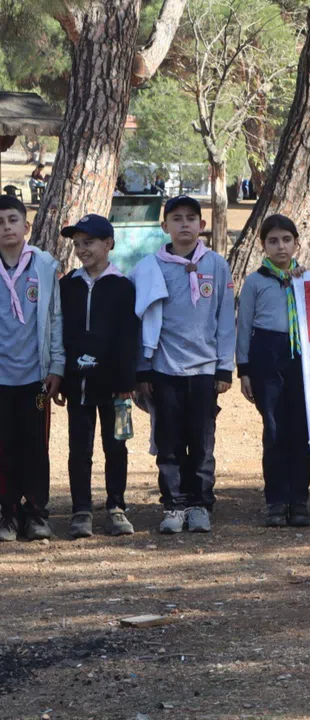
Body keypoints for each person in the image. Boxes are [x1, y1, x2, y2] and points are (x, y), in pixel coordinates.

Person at [130, 196, 234, 534]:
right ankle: (173, 504)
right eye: (177, 219)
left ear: (202, 225)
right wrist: (143, 369)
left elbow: (224, 318)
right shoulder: (150, 267)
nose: (184, 224)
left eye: (192, 218)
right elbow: (142, 320)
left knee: (202, 440)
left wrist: (223, 367)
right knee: (169, 440)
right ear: (165, 227)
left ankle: (200, 504)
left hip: (204, 370)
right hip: (164, 369)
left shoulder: (216, 264)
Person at [58, 214, 138, 538]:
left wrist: (125, 383)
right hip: (77, 383)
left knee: (115, 446)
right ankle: (81, 510)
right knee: (80, 448)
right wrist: (62, 376)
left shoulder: (123, 287)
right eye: (77, 244)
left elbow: (129, 337)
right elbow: (60, 333)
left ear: (108, 244)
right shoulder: (67, 286)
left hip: (113, 386)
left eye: (88, 242)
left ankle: (116, 507)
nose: (81, 249)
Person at [237, 214, 310, 529]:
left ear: (296, 242)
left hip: (301, 358)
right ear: (263, 245)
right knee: (274, 430)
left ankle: (299, 501)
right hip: (266, 357)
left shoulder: (307, 278)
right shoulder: (255, 282)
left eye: (286, 240)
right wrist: (244, 369)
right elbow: (243, 326)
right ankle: (276, 501)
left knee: (302, 431)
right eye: (273, 241)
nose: (280, 247)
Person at [0, 196, 63, 542]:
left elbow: (55, 318)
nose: (6, 227)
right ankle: (6, 513)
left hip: (35, 377)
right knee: (3, 445)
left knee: (35, 446)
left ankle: (36, 513)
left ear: (27, 226)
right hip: (1, 376)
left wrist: (57, 365)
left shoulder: (44, 266)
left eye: (13, 220)